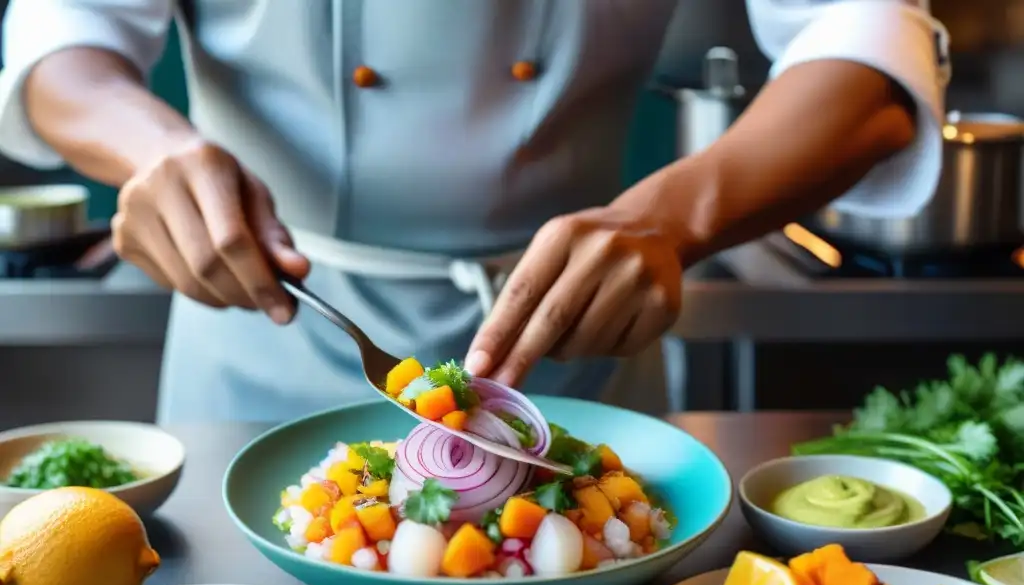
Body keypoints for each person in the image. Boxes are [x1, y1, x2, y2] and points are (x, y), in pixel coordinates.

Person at [0, 1, 949, 423]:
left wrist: (674, 214)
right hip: (262, 342)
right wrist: (154, 153)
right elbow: (62, 36)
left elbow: (866, 40)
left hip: (576, 357)